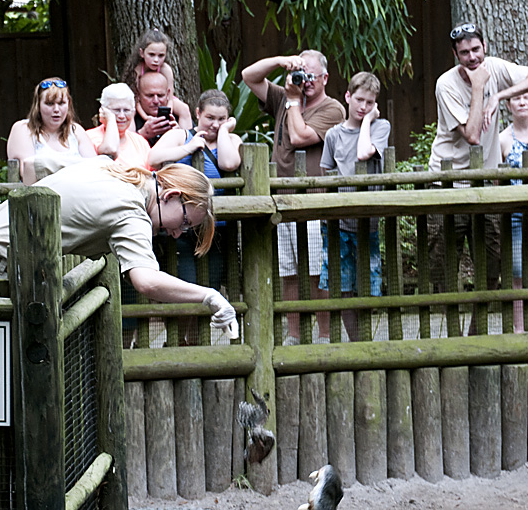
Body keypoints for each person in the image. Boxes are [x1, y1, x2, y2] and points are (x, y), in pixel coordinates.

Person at [0, 157, 238, 341]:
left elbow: (38, 162)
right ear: (170, 195)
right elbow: (147, 282)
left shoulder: (108, 166)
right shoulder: (130, 210)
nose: (177, 233)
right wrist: (210, 296)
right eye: (184, 222)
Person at [427, 23, 528, 300]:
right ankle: (452, 335)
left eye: (476, 50)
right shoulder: (446, 85)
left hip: (486, 182)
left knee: (491, 263)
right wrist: (479, 88)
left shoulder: (494, 67)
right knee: (443, 264)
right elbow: (471, 135)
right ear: (455, 55)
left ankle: (476, 332)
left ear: (485, 47)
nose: (472, 58)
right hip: (447, 183)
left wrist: (499, 94)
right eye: (464, 53)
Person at [242, 50, 345, 342]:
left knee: (316, 273)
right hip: (282, 199)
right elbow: (248, 76)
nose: (306, 81)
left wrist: (292, 100)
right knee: (289, 273)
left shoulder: (333, 109)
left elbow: (300, 137)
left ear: (325, 78)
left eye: (311, 76)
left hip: (313, 202)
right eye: (302, 74)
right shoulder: (285, 97)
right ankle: (295, 335)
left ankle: (324, 335)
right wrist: (279, 61)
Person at [149, 89, 242, 340]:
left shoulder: (231, 140)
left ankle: (199, 341)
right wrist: (189, 147)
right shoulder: (181, 134)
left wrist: (224, 133)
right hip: (181, 227)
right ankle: (179, 341)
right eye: (210, 117)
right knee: (186, 283)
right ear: (198, 113)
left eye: (222, 119)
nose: (214, 123)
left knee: (211, 282)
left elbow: (230, 163)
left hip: (218, 231)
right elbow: (154, 157)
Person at [319, 71, 390, 340]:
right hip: (338, 221)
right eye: (359, 100)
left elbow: (363, 153)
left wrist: (368, 122)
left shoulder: (380, 127)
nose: (363, 107)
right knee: (342, 282)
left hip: (367, 222)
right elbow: (326, 171)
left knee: (368, 282)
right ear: (347, 97)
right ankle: (355, 339)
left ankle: (367, 338)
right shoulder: (333, 135)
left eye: (370, 103)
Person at [6, 77, 96, 185]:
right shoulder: (23, 128)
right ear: (38, 105)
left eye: (61, 103)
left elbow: (94, 169)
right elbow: (28, 172)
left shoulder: (76, 131)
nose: (56, 109)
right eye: (49, 104)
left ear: (69, 104)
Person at [500, 90, 528, 332]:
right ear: (508, 104)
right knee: (517, 273)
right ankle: (519, 328)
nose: (522, 102)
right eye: (516, 98)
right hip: (515, 217)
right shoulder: (503, 139)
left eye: (527, 97)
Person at [122, 28, 192, 128]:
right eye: (151, 55)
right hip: (140, 101)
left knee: (184, 108)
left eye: (161, 56)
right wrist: (146, 117)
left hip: (164, 99)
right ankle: (132, 140)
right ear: (142, 53)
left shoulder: (166, 69)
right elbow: (136, 99)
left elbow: (170, 97)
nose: (156, 60)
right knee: (130, 112)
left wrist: (167, 114)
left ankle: (188, 137)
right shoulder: (137, 71)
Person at [86, 83, 151, 167]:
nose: (121, 116)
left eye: (126, 110)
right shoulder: (90, 137)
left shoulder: (140, 141)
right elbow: (110, 150)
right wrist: (110, 120)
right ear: (103, 111)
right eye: (116, 110)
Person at [133, 72, 181, 147]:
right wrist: (142, 134)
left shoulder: (178, 117)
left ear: (168, 94)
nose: (156, 101)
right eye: (150, 96)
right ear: (138, 95)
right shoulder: (131, 118)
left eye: (160, 95)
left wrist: (179, 136)